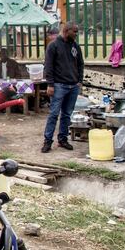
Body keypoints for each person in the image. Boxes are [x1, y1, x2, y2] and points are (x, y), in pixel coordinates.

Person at [41, 22, 83, 153]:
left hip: (73, 86)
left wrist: (79, 81)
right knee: (53, 114)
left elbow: (80, 64)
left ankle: (63, 139)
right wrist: (50, 84)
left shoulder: (75, 46)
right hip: (59, 86)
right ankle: (48, 141)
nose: (76, 34)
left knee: (67, 114)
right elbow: (49, 66)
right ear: (66, 30)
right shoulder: (53, 46)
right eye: (74, 32)